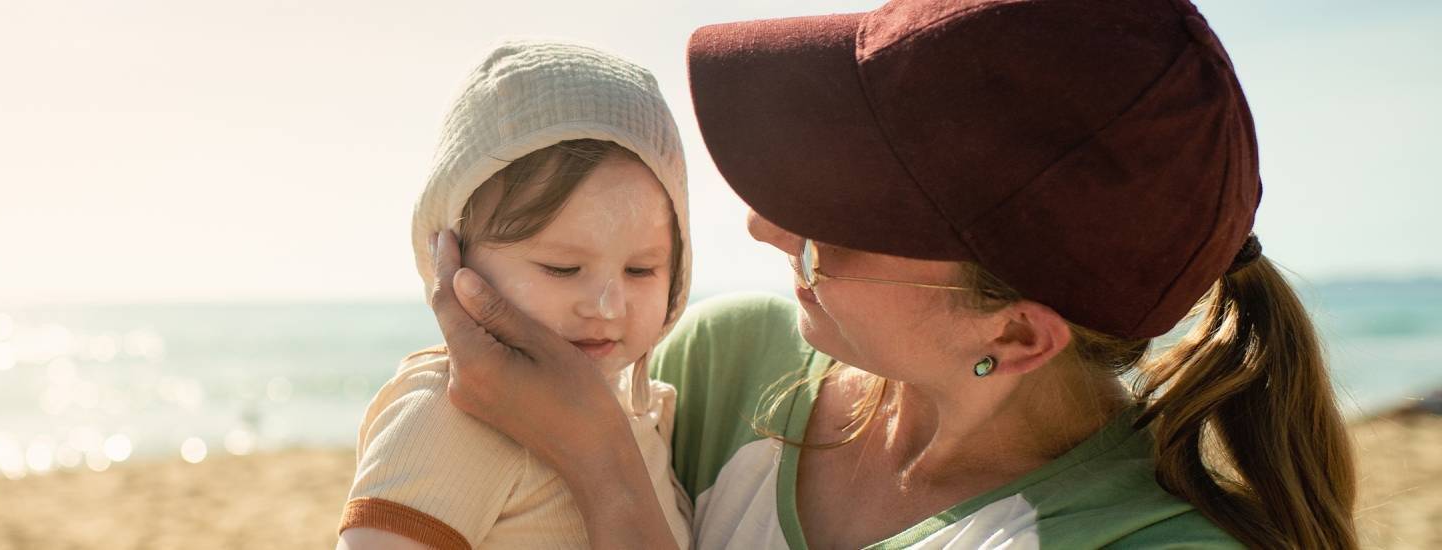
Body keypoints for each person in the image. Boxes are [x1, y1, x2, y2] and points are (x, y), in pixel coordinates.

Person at [425, 0, 1358, 548]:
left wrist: (604, 464)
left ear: (1017, 333)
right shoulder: (728, 362)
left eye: (843, 220)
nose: (761, 223)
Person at [336, 40, 694, 549]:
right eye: (561, 267)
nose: (608, 306)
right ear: (453, 259)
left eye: (642, 269)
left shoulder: (645, 413)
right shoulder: (447, 417)